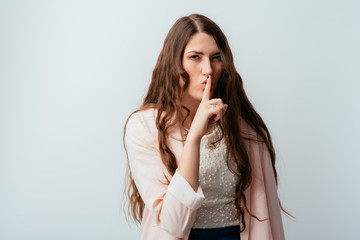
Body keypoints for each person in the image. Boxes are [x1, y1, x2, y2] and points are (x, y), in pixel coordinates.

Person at [123, 14, 286, 240]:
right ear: (174, 63)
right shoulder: (144, 127)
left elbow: (268, 217)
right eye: (195, 57)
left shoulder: (244, 127)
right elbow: (174, 224)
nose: (208, 68)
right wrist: (194, 138)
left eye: (216, 57)